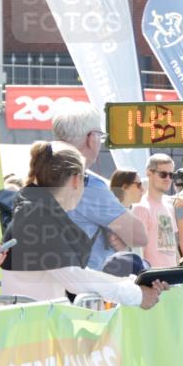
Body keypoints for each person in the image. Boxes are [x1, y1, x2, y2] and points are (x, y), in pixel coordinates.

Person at [0, 141, 166, 308]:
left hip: (33, 324)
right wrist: (136, 294)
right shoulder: (37, 216)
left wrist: (133, 283)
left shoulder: (35, 212)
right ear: (76, 179)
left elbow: (77, 275)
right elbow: (77, 279)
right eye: (85, 178)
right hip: (31, 327)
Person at [50, 101, 147, 270]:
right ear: (92, 138)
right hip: (87, 287)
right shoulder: (89, 186)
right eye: (100, 135)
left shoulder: (39, 175)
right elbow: (139, 235)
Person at [132, 154, 180, 269]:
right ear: (149, 172)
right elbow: (138, 253)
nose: (168, 179)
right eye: (163, 174)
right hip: (153, 280)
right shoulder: (140, 208)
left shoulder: (169, 205)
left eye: (171, 175)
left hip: (172, 278)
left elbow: (173, 247)